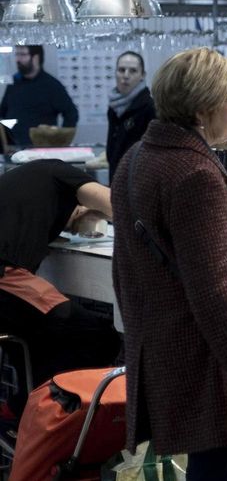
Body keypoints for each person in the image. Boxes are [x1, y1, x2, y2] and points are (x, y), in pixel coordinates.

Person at [111, 48, 227, 477]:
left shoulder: (135, 161)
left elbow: (124, 278)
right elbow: (215, 293)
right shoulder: (194, 175)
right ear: (202, 107)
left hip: (166, 358)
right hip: (206, 367)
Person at [0, 160, 121, 417]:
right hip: (5, 276)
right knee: (97, 336)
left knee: (38, 339)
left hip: (7, 284)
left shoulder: (25, 186)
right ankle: (36, 414)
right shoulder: (60, 172)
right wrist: (94, 212)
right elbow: (116, 203)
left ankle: (23, 413)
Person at [0, 45, 79, 146]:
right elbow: (3, 112)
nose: (17, 59)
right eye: (17, 54)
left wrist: (61, 142)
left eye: (23, 55)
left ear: (36, 58)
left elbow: (71, 114)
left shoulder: (51, 85)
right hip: (13, 149)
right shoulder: (15, 82)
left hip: (40, 151)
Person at [107, 51, 156, 171]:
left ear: (142, 75)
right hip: (116, 175)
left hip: (139, 178)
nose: (126, 75)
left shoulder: (150, 107)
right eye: (121, 70)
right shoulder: (114, 107)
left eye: (133, 71)